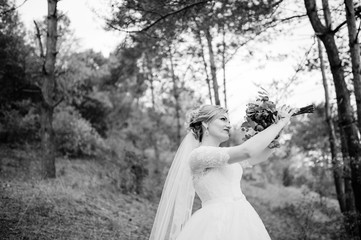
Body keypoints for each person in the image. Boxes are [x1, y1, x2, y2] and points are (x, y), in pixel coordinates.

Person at [149, 104, 297, 240]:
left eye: (228, 120)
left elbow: (260, 155)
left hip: (243, 217)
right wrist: (279, 124)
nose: (228, 124)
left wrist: (276, 127)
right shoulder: (198, 155)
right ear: (205, 123)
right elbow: (247, 151)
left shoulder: (224, 155)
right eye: (223, 119)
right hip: (216, 221)